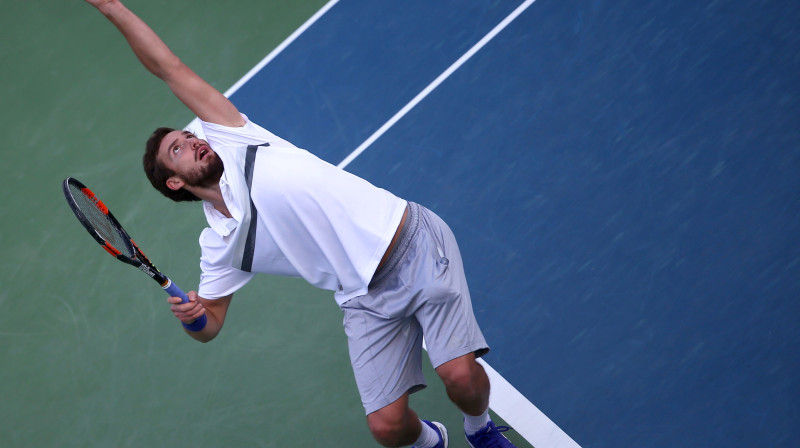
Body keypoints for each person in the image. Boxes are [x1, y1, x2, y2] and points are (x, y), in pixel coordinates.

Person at [84, 1, 518, 447]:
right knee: (387, 429)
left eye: (190, 135)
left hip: (408, 242)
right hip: (363, 298)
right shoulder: (220, 244)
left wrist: (112, 7)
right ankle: (434, 441)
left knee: (459, 376)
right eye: (178, 148)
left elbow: (168, 68)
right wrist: (193, 318)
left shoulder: (236, 139)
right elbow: (209, 325)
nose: (194, 140)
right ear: (175, 183)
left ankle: (480, 430)